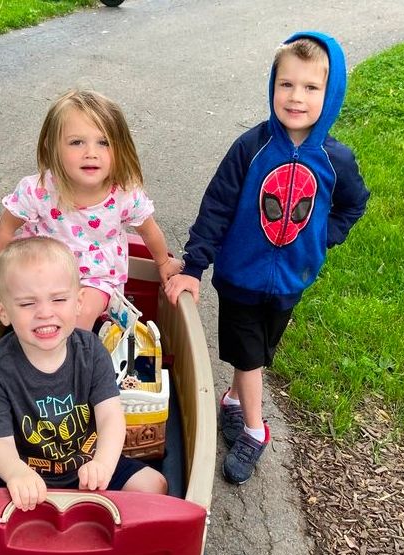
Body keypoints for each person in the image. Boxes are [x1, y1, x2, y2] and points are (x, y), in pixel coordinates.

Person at [165, 32, 370, 484]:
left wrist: (322, 237)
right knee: (248, 354)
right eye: (286, 84)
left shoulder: (336, 160)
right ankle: (257, 431)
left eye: (311, 87)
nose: (296, 97)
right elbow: (217, 204)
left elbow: (354, 204)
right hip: (240, 276)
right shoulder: (250, 147)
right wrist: (195, 265)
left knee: (262, 349)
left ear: (330, 93)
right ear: (272, 86)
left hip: (292, 280)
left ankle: (235, 403)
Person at [0, 89, 182, 331]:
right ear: (52, 147)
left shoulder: (125, 195)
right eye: (77, 142)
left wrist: (163, 263)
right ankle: (27, 356)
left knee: (79, 315)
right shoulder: (38, 190)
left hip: (95, 278)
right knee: (26, 312)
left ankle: (71, 362)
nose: (91, 153)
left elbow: (149, 231)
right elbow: (6, 227)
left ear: (120, 148)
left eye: (104, 142)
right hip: (40, 271)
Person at [0, 236, 168, 510]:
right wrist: (16, 473)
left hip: (89, 462)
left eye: (58, 299)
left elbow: (111, 416)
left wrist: (103, 462)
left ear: (78, 302)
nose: (45, 312)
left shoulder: (90, 351)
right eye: (27, 303)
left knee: (154, 485)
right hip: (28, 474)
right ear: (2, 311)